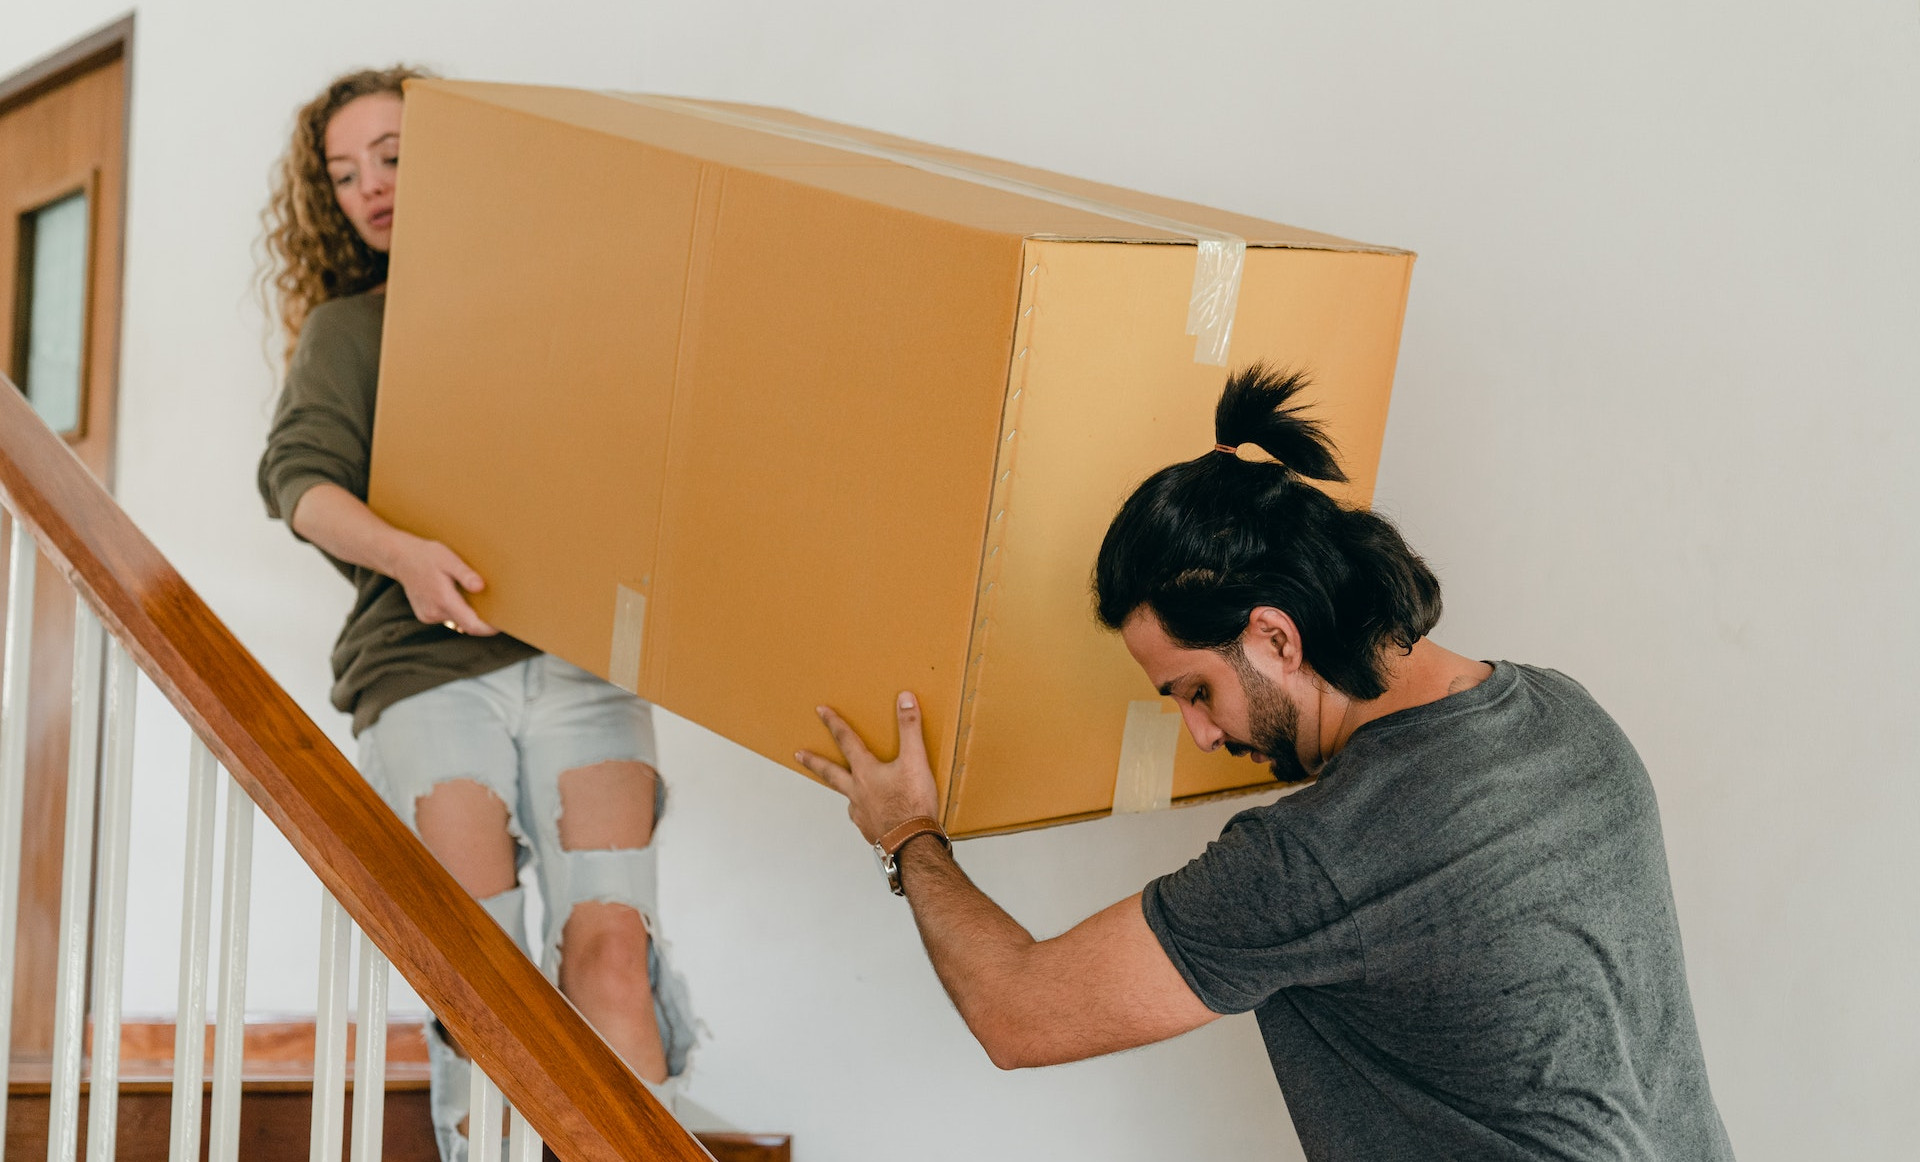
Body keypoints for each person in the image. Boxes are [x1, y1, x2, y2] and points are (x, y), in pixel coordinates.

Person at [798, 365, 1734, 1160]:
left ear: (1276, 637)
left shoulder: (1321, 858)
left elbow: (1018, 1014)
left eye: (1195, 692)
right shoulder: (1567, 714)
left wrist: (906, 831)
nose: (1201, 737)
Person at [256, 66, 693, 1160]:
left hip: (581, 663)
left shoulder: (559, 305)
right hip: (423, 675)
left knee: (613, 952)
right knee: (484, 977)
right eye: (343, 174)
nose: (370, 186)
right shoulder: (349, 332)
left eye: (394, 156)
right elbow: (298, 483)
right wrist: (404, 557)